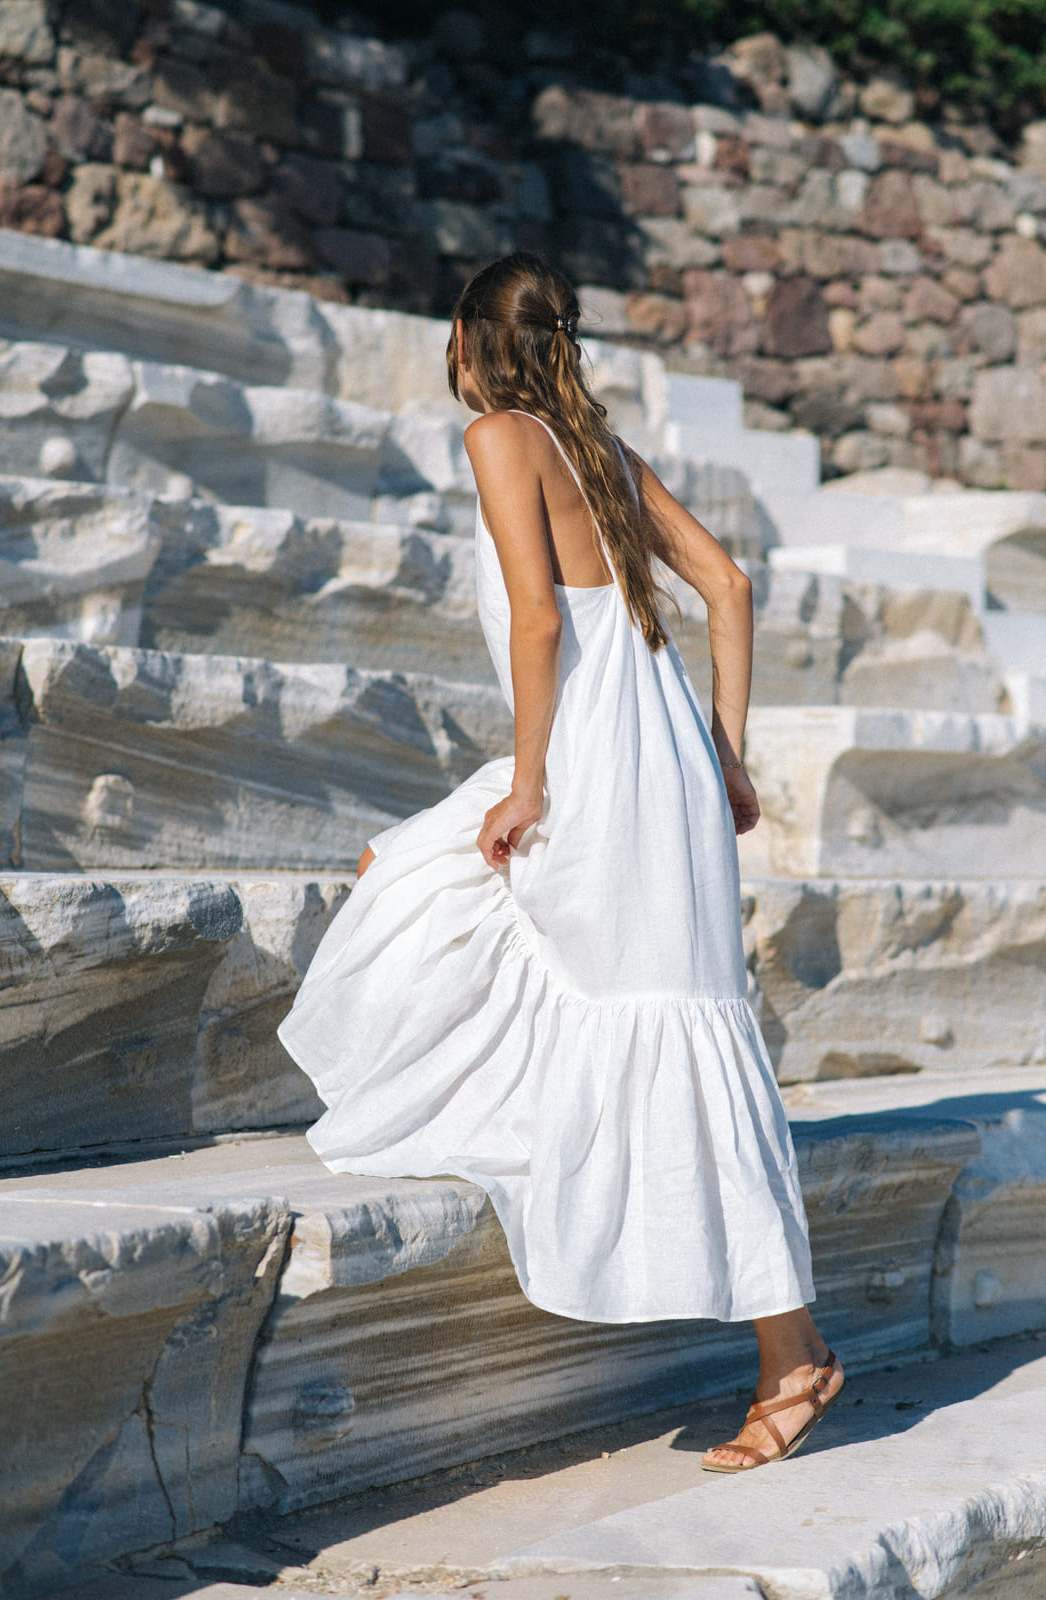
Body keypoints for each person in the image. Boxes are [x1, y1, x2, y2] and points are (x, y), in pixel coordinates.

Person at [277, 252, 843, 1472]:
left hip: (595, 772)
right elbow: (728, 588)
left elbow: (539, 620)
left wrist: (526, 783)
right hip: (659, 766)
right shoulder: (593, 448)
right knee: (416, 867)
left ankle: (792, 1358)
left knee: (660, 1019)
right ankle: (535, 1144)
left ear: (469, 339)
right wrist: (726, 758)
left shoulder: (499, 441)